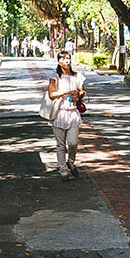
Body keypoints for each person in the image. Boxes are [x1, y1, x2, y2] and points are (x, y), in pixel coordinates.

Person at [44, 50, 86, 178]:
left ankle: (71, 162)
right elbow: (51, 94)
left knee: (73, 143)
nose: (67, 61)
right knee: (60, 145)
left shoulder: (77, 76)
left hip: (73, 113)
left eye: (68, 58)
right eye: (63, 59)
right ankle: (63, 170)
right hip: (59, 113)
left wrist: (79, 94)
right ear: (58, 62)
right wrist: (65, 92)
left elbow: (82, 92)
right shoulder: (55, 77)